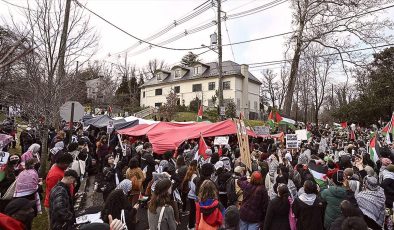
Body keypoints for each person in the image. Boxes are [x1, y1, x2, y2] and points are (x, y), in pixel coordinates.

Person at [44, 152, 74, 224]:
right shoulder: (54, 175)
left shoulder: (60, 170)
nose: (68, 165)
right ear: (61, 163)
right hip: (56, 205)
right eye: (67, 163)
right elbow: (55, 193)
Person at [182, 160, 199, 229]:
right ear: (196, 166)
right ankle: (191, 226)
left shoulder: (189, 172)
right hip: (193, 196)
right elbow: (193, 187)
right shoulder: (194, 175)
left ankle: (190, 225)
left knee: (193, 211)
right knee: (193, 212)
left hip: (190, 194)